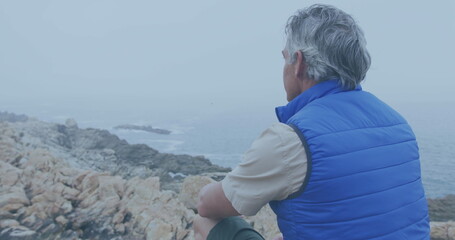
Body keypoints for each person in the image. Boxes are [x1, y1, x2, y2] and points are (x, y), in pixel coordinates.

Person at [194, 4, 430, 240]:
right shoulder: (398, 124)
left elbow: (207, 205)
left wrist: (203, 189)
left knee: (204, 220)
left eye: (285, 58)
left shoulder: (292, 139)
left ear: (299, 63)